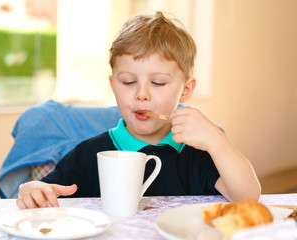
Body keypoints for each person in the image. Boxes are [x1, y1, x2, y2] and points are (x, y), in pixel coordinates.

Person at [17, 11, 261, 209]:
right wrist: (34, 190)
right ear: (113, 86)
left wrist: (218, 142)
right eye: (128, 82)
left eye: (158, 83)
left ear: (186, 90)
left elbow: (247, 197)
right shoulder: (90, 154)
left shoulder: (196, 153)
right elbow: (46, 193)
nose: (141, 94)